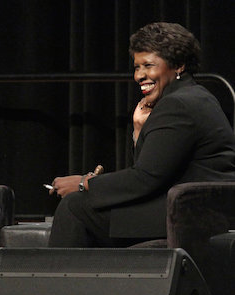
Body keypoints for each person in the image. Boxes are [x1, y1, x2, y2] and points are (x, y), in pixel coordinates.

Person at [48, 22, 235, 248]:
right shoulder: (195, 96)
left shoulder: (178, 104)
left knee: (75, 206)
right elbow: (154, 169)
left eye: (148, 65)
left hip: (191, 213)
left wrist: (83, 184)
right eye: (137, 67)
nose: (139, 75)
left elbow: (145, 179)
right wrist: (138, 131)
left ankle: (62, 282)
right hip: (196, 207)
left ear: (178, 66)